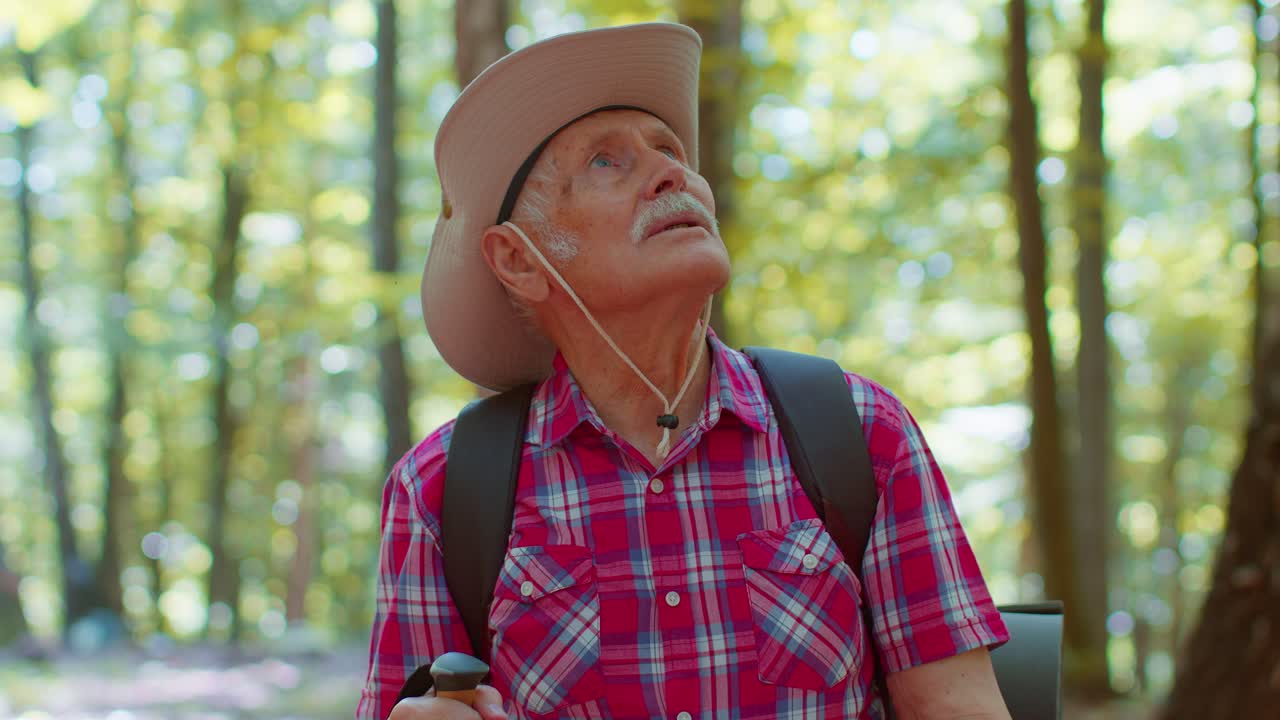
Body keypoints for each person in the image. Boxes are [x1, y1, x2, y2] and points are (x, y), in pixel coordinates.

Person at [357, 22, 1010, 720]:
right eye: (607, 162)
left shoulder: (862, 435)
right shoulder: (440, 492)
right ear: (520, 260)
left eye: (669, 149)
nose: (673, 172)